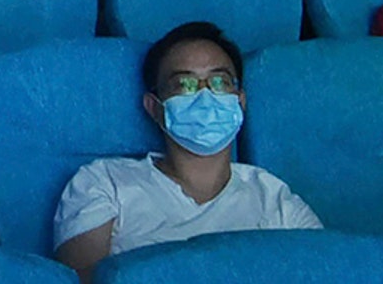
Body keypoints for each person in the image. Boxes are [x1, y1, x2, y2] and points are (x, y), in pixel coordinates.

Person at [53, 22, 320, 278]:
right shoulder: (104, 182)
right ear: (154, 107)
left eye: (219, 82)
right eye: (184, 85)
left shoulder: (274, 199)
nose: (205, 96)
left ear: (240, 101)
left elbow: (328, 270)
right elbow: (83, 279)